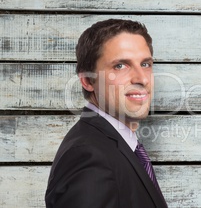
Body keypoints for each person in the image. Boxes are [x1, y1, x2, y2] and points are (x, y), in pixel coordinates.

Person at [45, 19, 167, 207]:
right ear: (87, 80)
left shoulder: (113, 145)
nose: (142, 78)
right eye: (120, 65)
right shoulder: (87, 156)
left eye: (145, 64)